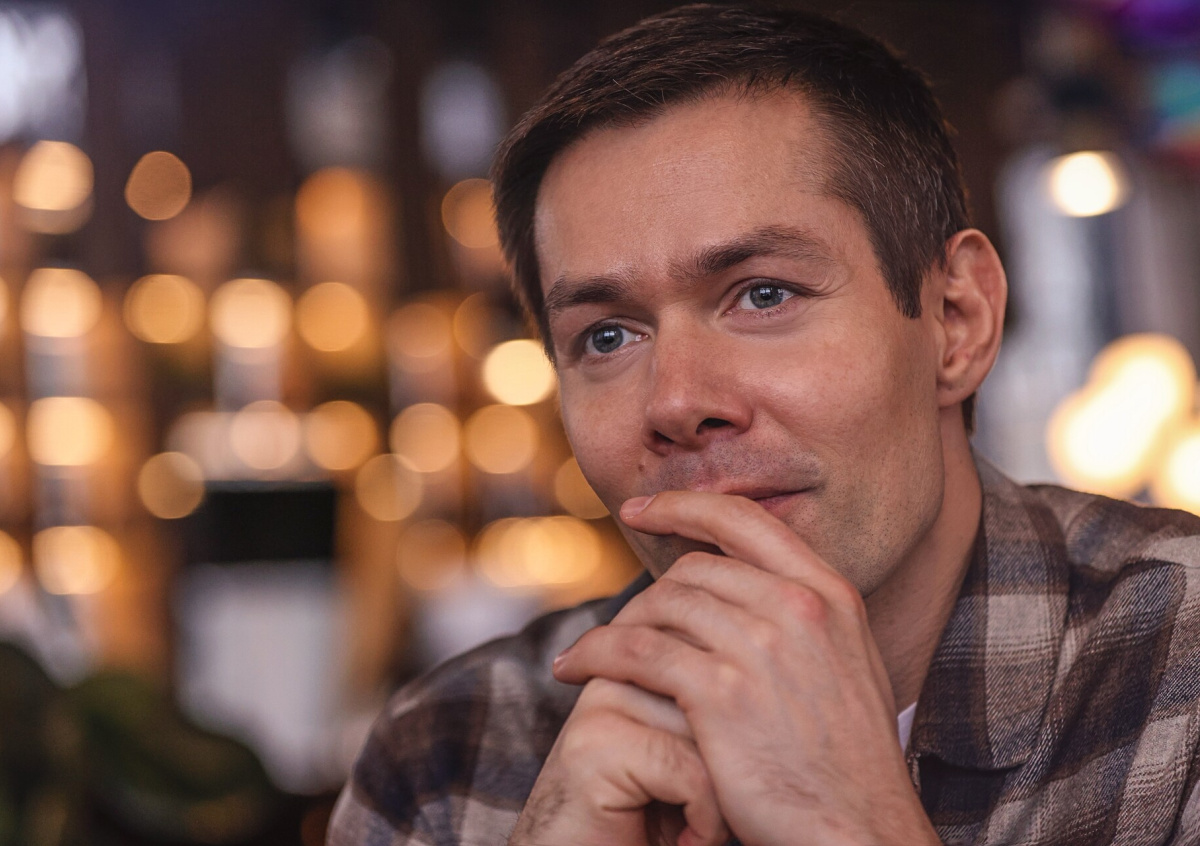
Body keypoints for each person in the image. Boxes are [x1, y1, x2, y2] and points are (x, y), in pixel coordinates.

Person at [329, 4, 1200, 845]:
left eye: (764, 294)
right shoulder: (446, 760)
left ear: (956, 320)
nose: (676, 402)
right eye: (607, 337)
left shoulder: (1179, 667)